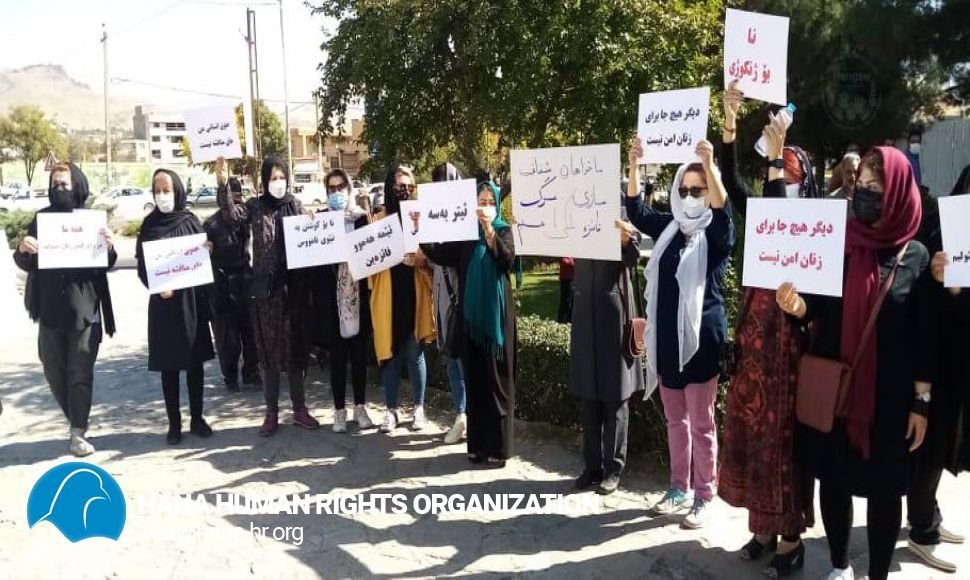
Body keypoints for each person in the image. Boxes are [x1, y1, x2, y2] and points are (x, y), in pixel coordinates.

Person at [777, 146, 936, 580]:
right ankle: (840, 565)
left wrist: (921, 402)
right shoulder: (838, 243)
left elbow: (926, 336)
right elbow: (819, 310)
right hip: (835, 392)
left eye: (875, 187)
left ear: (899, 192)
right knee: (835, 479)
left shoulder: (917, 257)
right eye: (860, 185)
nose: (863, 194)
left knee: (887, 493)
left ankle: (879, 575)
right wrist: (798, 307)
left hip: (890, 400)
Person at [715, 83, 816, 577]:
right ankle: (762, 531)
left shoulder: (818, 225)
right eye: (781, 163)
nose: (783, 169)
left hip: (790, 360)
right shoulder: (763, 213)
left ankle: (790, 542)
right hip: (754, 353)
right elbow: (734, 185)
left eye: (791, 164)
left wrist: (777, 157)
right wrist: (731, 124)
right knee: (755, 440)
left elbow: (781, 211)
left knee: (783, 448)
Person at [626, 136, 735, 529]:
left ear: (709, 190)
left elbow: (725, 215)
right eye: (685, 189)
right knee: (676, 420)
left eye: (698, 188)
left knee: (702, 422)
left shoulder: (717, 233)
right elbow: (637, 211)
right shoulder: (670, 227)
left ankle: (705, 494)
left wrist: (709, 163)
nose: (690, 195)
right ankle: (679, 487)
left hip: (703, 341)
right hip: (667, 341)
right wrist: (635, 164)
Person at [14, 162, 116, 456]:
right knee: (53, 371)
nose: (59, 189)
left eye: (64, 184)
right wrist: (23, 248)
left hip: (85, 310)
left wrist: (109, 248)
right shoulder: (42, 219)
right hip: (49, 310)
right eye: (54, 184)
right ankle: (76, 419)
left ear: (78, 186)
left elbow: (105, 263)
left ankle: (78, 433)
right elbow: (26, 262)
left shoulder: (91, 220)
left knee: (79, 372)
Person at [216, 156, 320, 436]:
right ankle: (271, 413)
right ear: (264, 180)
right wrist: (223, 182)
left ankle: (299, 409)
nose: (278, 182)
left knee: (296, 351)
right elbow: (231, 215)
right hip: (265, 293)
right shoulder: (255, 206)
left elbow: (314, 238)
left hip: (293, 290)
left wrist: (313, 219)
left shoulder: (295, 206)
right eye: (272, 178)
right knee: (268, 353)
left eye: (281, 177)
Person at [419, 181, 517, 466]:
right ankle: (477, 446)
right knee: (475, 384)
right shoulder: (463, 234)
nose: (485, 206)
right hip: (470, 323)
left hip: (497, 324)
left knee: (497, 384)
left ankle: (499, 449)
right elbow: (440, 254)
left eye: (490, 201)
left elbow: (507, 260)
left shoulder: (503, 229)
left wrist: (489, 232)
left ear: (497, 205)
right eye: (481, 200)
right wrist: (421, 229)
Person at [905, 167, 970, 573]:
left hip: (963, 364)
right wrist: (948, 286)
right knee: (931, 443)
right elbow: (925, 306)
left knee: (950, 442)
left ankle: (930, 513)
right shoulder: (941, 234)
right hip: (939, 362)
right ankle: (921, 528)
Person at [136, 169, 215, 445]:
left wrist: (207, 251)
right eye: (157, 190)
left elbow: (202, 259)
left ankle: (197, 418)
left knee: (194, 364)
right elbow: (142, 267)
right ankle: (174, 423)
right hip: (163, 305)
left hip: (190, 302)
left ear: (178, 190)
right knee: (169, 367)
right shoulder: (148, 225)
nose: (162, 195)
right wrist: (157, 288)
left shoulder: (191, 221)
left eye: (166, 190)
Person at [569, 211, 644, 494]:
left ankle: (613, 469)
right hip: (585, 316)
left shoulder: (620, 212)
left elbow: (633, 257)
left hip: (614, 318)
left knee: (615, 398)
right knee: (588, 397)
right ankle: (592, 467)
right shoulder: (571, 212)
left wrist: (626, 241)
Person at [308, 168, 374, 433]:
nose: (336, 193)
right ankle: (338, 411)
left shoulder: (361, 220)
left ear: (349, 189)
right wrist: (309, 223)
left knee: (359, 357)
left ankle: (360, 407)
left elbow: (373, 253)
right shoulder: (321, 221)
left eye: (340, 187)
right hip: (332, 302)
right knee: (337, 358)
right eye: (331, 189)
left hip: (358, 298)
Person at [371, 164, 435, 433]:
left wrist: (423, 259)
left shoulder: (421, 218)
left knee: (414, 352)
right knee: (389, 355)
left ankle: (419, 409)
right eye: (399, 187)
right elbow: (365, 262)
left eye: (409, 187)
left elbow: (436, 255)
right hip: (388, 296)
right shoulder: (377, 220)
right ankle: (391, 410)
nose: (405, 192)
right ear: (389, 188)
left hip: (414, 292)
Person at [204, 176, 260, 392]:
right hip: (221, 284)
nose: (234, 203)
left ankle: (251, 371)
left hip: (245, 278)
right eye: (230, 197)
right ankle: (230, 376)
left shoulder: (245, 218)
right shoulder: (211, 224)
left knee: (251, 331)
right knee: (227, 338)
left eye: (238, 198)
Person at [429, 162, 468, 444]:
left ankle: (468, 415)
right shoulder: (433, 215)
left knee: (464, 360)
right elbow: (434, 256)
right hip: (442, 295)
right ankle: (460, 415)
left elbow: (450, 255)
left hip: (460, 295)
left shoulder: (465, 218)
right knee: (450, 359)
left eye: (447, 182)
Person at [557, 257, 575, 323]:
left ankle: (570, 319)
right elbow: (564, 261)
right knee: (566, 301)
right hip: (566, 278)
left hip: (573, 277)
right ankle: (562, 320)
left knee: (572, 301)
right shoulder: (565, 249)